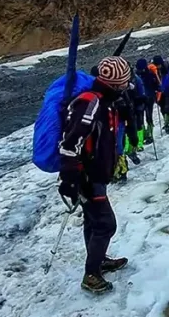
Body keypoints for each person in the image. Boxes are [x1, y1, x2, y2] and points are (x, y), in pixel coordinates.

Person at [59, 56, 134, 293]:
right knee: (105, 224)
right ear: (113, 84)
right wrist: (69, 179)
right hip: (86, 177)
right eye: (123, 83)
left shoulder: (105, 100)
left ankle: (98, 261)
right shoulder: (90, 103)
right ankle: (91, 274)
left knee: (93, 221)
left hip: (95, 176)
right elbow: (70, 142)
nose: (126, 87)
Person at [135, 58, 160, 144]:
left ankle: (146, 134)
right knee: (148, 117)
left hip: (143, 99)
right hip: (149, 98)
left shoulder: (137, 76)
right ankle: (149, 134)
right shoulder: (150, 74)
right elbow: (157, 85)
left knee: (143, 117)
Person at [153, 55, 169, 134]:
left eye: (159, 64)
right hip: (158, 92)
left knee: (167, 107)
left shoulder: (167, 67)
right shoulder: (153, 70)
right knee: (162, 108)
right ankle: (166, 121)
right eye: (157, 65)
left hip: (168, 89)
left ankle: (168, 123)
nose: (158, 66)